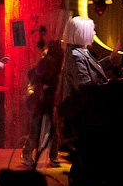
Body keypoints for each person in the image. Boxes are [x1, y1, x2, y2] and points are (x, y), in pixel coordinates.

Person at [57, 16, 109, 147]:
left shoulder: (80, 52)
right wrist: (115, 85)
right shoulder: (77, 56)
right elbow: (85, 88)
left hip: (86, 114)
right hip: (84, 115)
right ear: (82, 33)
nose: (94, 33)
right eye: (92, 30)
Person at [23, 37, 65, 170]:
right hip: (41, 101)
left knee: (44, 130)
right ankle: (47, 156)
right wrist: (42, 87)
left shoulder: (53, 63)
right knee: (41, 130)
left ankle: (37, 155)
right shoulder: (50, 62)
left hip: (46, 100)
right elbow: (32, 74)